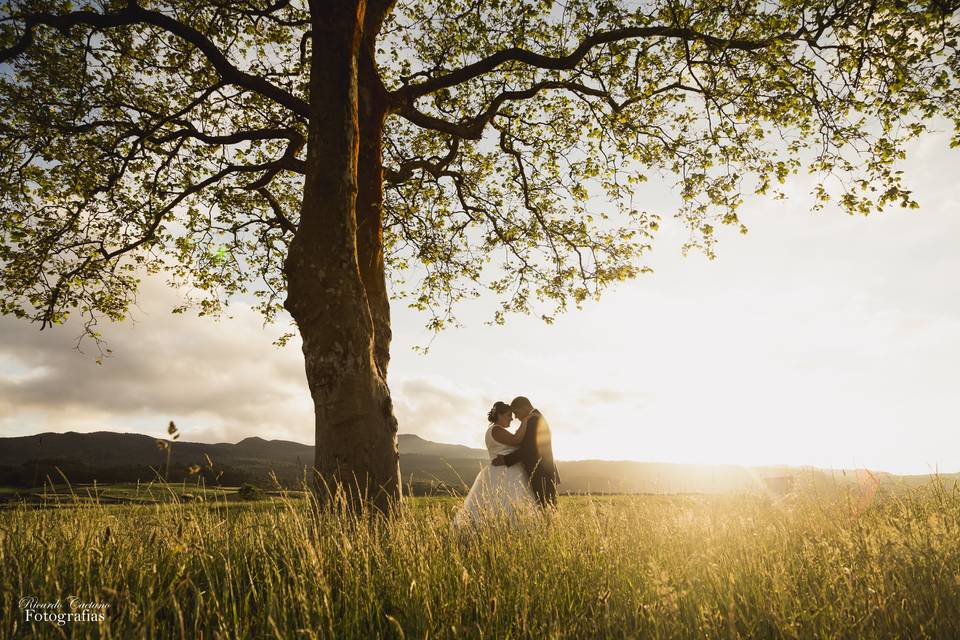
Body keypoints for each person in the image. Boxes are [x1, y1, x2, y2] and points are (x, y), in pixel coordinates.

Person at [452, 401, 538, 529]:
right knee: (504, 503)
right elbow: (515, 440)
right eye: (509, 415)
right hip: (504, 472)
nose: (511, 418)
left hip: (506, 469)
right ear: (500, 415)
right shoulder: (496, 429)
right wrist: (525, 420)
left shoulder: (496, 429)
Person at [491, 396, 560, 508]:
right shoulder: (536, 418)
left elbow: (529, 449)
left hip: (541, 474)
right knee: (546, 510)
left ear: (522, 408)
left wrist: (505, 459)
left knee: (546, 510)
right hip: (543, 473)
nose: (516, 417)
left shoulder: (534, 420)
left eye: (516, 413)